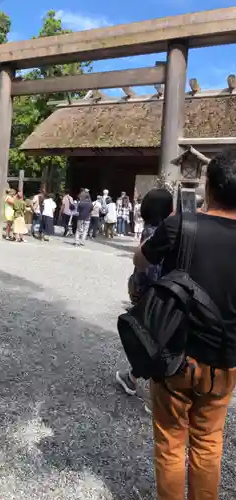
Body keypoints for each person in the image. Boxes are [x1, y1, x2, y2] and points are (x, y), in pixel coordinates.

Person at [132, 149, 236, 500]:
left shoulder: (182, 225)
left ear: (209, 186)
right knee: (208, 443)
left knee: (171, 441)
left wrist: (171, 226)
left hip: (176, 352)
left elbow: (142, 259)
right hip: (225, 359)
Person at [117, 187, 174, 398]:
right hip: (157, 293)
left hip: (148, 292)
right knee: (155, 342)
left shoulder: (151, 230)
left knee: (152, 342)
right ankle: (143, 384)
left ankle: (137, 381)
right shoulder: (163, 231)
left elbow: (146, 268)